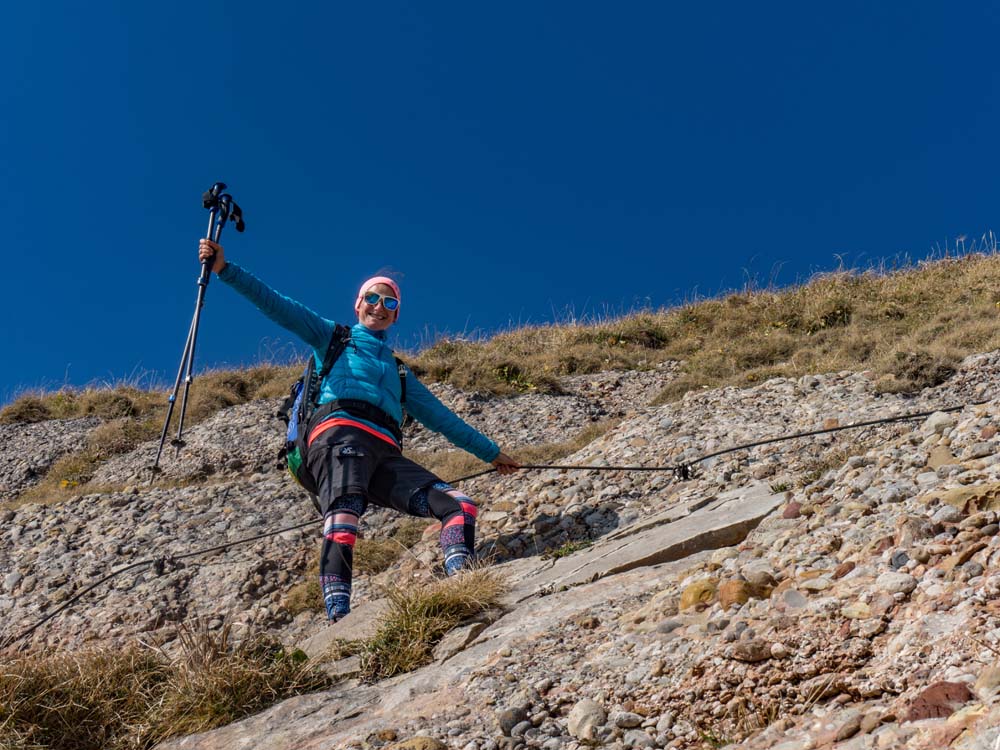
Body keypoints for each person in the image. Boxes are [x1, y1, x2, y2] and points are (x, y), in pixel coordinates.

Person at [198, 239, 520, 621]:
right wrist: (225, 269)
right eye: (373, 298)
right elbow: (279, 306)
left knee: (459, 506)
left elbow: (441, 417)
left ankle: (463, 585)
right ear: (358, 304)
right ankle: (339, 619)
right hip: (338, 437)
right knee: (344, 515)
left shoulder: (399, 371)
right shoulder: (332, 337)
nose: (379, 307)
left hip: (385, 453)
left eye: (390, 303)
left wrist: (492, 453)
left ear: (396, 315)